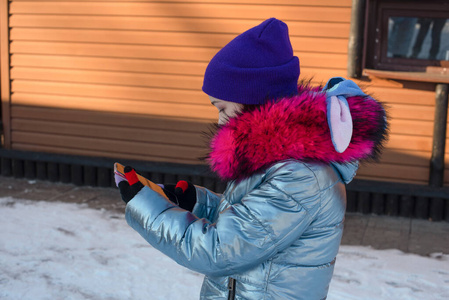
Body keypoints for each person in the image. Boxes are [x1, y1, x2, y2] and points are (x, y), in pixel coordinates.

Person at [117, 18, 388, 300]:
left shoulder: (300, 175)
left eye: (222, 108)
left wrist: (147, 206)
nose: (220, 120)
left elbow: (220, 251)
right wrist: (198, 204)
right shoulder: (280, 162)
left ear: (252, 99)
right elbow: (253, 223)